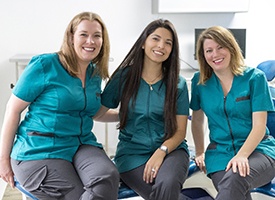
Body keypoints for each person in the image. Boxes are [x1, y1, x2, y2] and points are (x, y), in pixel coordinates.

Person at [0, 12, 120, 200]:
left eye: (97, 35)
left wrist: (127, 114)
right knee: (78, 194)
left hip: (80, 144)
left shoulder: (94, 74)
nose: (91, 41)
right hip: (39, 149)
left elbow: (94, 112)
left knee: (107, 177)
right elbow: (13, 110)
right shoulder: (45, 65)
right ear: (71, 37)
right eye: (83, 34)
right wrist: (3, 160)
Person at [99, 19, 190, 200]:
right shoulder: (123, 77)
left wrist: (161, 151)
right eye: (155, 39)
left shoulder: (177, 83)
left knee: (167, 183)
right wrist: (124, 115)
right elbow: (99, 113)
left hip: (172, 150)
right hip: (132, 155)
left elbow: (180, 132)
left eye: (168, 43)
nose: (161, 46)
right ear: (143, 42)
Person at [190, 26, 275, 200]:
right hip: (220, 153)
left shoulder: (255, 78)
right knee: (232, 189)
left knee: (234, 179)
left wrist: (242, 155)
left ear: (231, 47)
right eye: (209, 50)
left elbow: (260, 126)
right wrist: (199, 151)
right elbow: (197, 120)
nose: (215, 54)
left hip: (259, 150)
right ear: (203, 55)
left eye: (220, 47)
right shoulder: (199, 82)